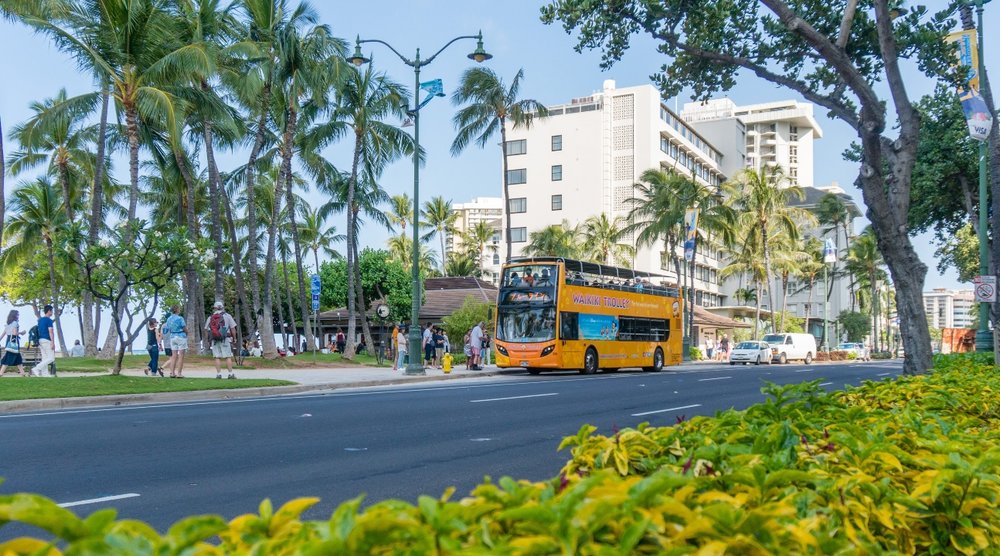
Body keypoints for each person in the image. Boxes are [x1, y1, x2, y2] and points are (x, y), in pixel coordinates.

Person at [205, 301, 238, 379]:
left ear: (214, 308)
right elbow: (233, 328)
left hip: (215, 340)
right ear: (222, 307)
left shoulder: (210, 317)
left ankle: (219, 374)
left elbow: (206, 329)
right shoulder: (227, 316)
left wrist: (208, 340)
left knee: (217, 357)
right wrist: (234, 338)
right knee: (228, 357)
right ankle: (230, 374)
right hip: (225, 339)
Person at [31, 305, 56, 377]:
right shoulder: (49, 320)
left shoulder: (40, 320)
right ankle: (36, 368)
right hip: (47, 340)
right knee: (51, 358)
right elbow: (51, 331)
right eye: (52, 311)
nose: (52, 313)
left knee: (45, 358)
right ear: (49, 311)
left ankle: (45, 374)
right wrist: (53, 342)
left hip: (40, 340)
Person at [0, 310, 27, 377]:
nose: (18, 316)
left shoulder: (8, 324)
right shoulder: (15, 323)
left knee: (17, 356)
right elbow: (15, 333)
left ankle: (22, 373)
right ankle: (0, 373)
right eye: (17, 315)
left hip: (8, 341)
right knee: (9, 356)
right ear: (14, 315)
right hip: (14, 341)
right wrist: (21, 333)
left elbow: (4, 333)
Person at [164, 305, 187, 378]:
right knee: (181, 355)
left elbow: (168, 328)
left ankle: (172, 373)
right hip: (180, 336)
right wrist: (187, 332)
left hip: (172, 337)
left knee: (174, 356)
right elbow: (184, 328)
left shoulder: (169, 319)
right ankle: (179, 373)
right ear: (177, 310)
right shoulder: (180, 318)